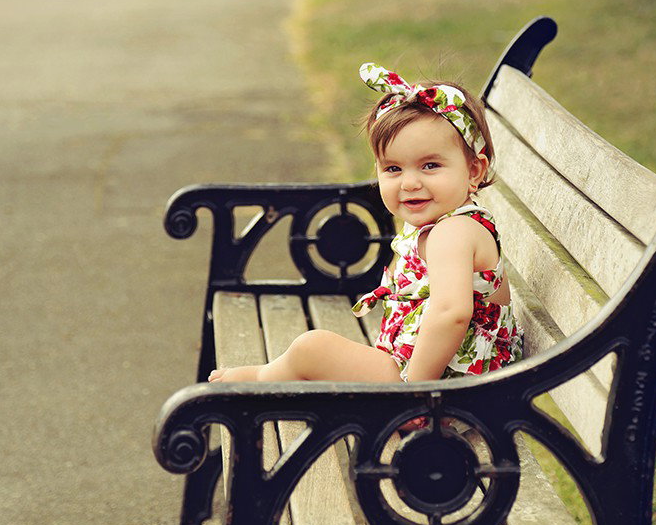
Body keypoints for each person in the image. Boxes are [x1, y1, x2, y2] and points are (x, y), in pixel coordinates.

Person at [208, 63, 522, 387]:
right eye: (393, 168)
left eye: (430, 165)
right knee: (321, 359)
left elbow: (451, 314)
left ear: (474, 171)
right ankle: (276, 380)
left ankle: (261, 380)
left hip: (446, 389)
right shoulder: (444, 223)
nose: (409, 183)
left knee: (312, 349)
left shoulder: (453, 233)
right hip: (440, 375)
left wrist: (416, 392)